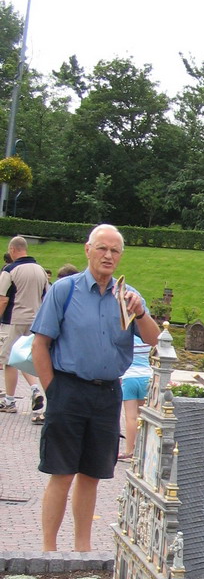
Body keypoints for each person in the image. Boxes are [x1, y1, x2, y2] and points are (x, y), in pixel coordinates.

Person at [30, 224, 159, 551]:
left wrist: (140, 311)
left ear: (121, 256)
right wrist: (53, 391)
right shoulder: (65, 290)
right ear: (88, 250)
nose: (108, 256)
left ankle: (82, 549)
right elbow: (40, 344)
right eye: (102, 248)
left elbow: (156, 339)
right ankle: (48, 550)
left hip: (107, 395)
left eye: (115, 251)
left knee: (91, 475)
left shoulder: (128, 296)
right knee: (61, 473)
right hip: (68, 390)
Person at [0, 235, 48, 421]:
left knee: (10, 360)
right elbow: (46, 296)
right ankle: (36, 389)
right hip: (35, 320)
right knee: (27, 359)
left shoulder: (10, 270)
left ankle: (10, 400)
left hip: (14, 319)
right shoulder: (40, 270)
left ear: (12, 250)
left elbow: (3, 298)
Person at [118, 333, 151, 460]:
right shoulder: (146, 336)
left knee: (130, 417)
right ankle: (143, 449)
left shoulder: (126, 336)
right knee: (143, 416)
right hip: (147, 376)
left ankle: (129, 450)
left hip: (129, 376)